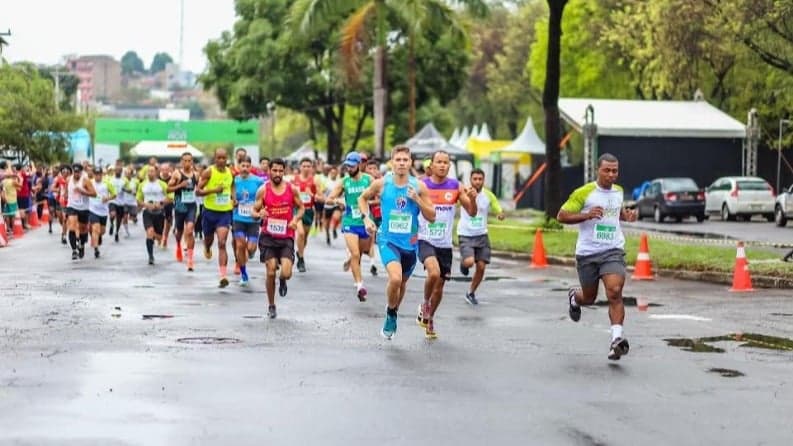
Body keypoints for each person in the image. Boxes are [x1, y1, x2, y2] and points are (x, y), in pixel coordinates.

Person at [556, 153, 637, 361]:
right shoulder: (584, 193)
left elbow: (614, 212)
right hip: (588, 254)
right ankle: (575, 297)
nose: (612, 175)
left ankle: (616, 340)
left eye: (615, 171)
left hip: (613, 250)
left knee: (615, 291)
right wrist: (586, 215)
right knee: (589, 297)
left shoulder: (618, 192)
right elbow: (561, 216)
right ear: (597, 170)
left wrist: (625, 216)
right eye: (607, 170)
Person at [357, 145, 436, 340]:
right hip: (387, 240)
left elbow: (432, 216)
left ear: (410, 163)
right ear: (392, 163)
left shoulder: (419, 186)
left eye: (405, 160)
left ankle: (393, 308)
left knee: (401, 284)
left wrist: (417, 199)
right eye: (398, 160)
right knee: (395, 279)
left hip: (410, 243)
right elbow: (362, 198)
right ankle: (391, 314)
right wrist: (366, 218)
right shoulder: (382, 184)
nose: (401, 163)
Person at [415, 151, 477, 339]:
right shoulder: (421, 185)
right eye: (438, 162)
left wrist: (472, 199)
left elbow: (472, 212)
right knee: (433, 272)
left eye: (445, 163)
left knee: (440, 286)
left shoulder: (456, 186)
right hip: (425, 238)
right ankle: (425, 303)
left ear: (449, 166)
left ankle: (430, 317)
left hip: (445, 243)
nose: (442, 165)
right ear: (431, 165)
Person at [253, 158, 304, 318]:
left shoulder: (291, 189)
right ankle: (271, 305)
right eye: (274, 170)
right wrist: (259, 214)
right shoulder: (263, 190)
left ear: (284, 171)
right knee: (270, 271)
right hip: (268, 236)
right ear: (269, 171)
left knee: (287, 273)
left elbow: (301, 208)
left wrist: (295, 220)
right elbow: (254, 212)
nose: (277, 174)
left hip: (286, 236)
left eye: (280, 171)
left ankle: (282, 280)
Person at [327, 152, 374, 301]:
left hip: (365, 221)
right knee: (355, 254)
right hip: (349, 222)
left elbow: (380, 196)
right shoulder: (344, 182)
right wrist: (338, 201)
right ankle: (360, 285)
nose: (349, 168)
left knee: (361, 252)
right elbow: (329, 199)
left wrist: (368, 205)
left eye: (352, 166)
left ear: (359, 165)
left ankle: (351, 260)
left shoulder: (369, 180)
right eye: (347, 165)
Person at [457, 168, 505, 305]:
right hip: (466, 234)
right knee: (469, 262)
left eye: (480, 179)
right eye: (475, 179)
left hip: (481, 235)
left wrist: (500, 213)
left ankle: (471, 292)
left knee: (482, 267)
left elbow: (496, 206)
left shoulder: (488, 195)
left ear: (483, 180)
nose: (477, 182)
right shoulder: (464, 192)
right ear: (470, 180)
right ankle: (463, 263)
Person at [197, 148, 235, 288]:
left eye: (224, 158)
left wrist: (234, 198)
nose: (221, 160)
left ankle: (223, 275)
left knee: (222, 242)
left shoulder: (230, 172)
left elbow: (232, 185)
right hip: (209, 212)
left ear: (227, 159)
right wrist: (214, 190)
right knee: (209, 241)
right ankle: (207, 247)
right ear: (215, 159)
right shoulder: (209, 172)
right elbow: (198, 191)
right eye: (219, 158)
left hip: (224, 213)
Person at [232, 156, 264, 286]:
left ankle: (250, 254)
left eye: (247, 166)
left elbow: (264, 197)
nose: (245, 168)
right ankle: (244, 274)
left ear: (251, 167)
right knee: (240, 245)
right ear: (238, 166)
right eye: (242, 166)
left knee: (250, 248)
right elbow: (229, 196)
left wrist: (260, 208)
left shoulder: (258, 181)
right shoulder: (234, 181)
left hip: (253, 219)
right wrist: (232, 201)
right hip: (238, 218)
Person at [291, 158, 323, 273]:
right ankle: (301, 260)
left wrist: (312, 195)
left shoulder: (315, 181)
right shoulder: (294, 180)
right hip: (297, 209)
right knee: (300, 233)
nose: (306, 168)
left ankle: (299, 252)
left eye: (308, 166)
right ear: (300, 167)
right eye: (304, 166)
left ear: (312, 168)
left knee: (304, 239)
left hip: (309, 211)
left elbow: (321, 198)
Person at [168, 152, 200, 271]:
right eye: (185, 161)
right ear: (181, 162)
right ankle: (178, 246)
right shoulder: (177, 174)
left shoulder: (196, 175)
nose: (187, 163)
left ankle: (190, 260)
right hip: (180, 206)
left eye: (189, 160)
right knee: (179, 231)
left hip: (191, 206)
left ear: (192, 162)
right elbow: (168, 189)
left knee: (190, 229)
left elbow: (200, 188)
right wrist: (180, 185)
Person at [137, 165, 171, 265]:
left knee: (159, 237)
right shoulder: (142, 185)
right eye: (149, 171)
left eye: (152, 171)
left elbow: (170, 197)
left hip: (159, 213)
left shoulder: (162, 184)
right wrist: (146, 205)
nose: (150, 173)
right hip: (147, 212)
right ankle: (151, 256)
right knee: (150, 232)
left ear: (156, 172)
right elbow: (138, 200)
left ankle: (158, 238)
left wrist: (160, 204)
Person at [65, 164, 97, 260]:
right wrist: (66, 195)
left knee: (83, 230)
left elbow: (94, 194)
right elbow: (68, 191)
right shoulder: (68, 179)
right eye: (75, 172)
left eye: (78, 172)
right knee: (72, 226)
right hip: (72, 206)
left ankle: (82, 245)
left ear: (81, 172)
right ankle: (74, 250)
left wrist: (83, 192)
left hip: (83, 208)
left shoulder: (85, 181)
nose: (76, 174)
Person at [88, 167, 116, 259]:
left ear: (102, 175)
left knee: (102, 231)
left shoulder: (107, 183)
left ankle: (98, 236)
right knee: (95, 228)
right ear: (93, 174)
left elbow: (114, 194)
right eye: (96, 174)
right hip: (92, 209)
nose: (97, 176)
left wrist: (107, 198)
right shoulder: (90, 182)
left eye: (99, 174)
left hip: (103, 211)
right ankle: (96, 249)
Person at [364, 158, 383, 276]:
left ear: (378, 170)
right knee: (370, 239)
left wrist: (370, 202)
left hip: (380, 214)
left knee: (379, 240)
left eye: (374, 169)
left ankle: (375, 262)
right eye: (369, 168)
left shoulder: (381, 182)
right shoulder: (364, 181)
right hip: (367, 215)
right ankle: (372, 263)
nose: (372, 171)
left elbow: (381, 200)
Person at [108, 164, 130, 243]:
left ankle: (116, 232)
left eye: (119, 170)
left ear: (121, 171)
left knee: (119, 219)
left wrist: (125, 189)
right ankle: (111, 224)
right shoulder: (110, 180)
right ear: (114, 171)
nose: (117, 171)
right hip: (112, 201)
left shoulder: (125, 180)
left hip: (121, 202)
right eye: (116, 170)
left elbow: (129, 190)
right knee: (113, 214)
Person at [321, 165, 342, 245]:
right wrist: (323, 197)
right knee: (326, 224)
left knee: (337, 217)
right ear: (330, 173)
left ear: (337, 173)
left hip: (336, 204)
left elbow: (342, 192)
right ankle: (328, 236)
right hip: (327, 205)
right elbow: (322, 193)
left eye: (335, 172)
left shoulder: (339, 181)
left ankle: (334, 229)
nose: (333, 174)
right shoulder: (326, 182)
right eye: (332, 172)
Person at [158, 163, 175, 250]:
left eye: (166, 169)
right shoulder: (157, 178)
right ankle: (159, 236)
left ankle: (165, 237)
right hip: (158, 202)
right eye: (163, 169)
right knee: (159, 220)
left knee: (168, 220)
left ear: (169, 170)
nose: (165, 171)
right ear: (160, 170)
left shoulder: (172, 178)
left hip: (169, 201)